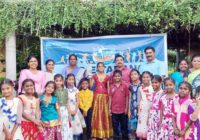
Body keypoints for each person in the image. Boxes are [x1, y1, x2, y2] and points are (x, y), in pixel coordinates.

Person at [90, 62, 113, 139]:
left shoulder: (107, 76)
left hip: (105, 97)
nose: (100, 67)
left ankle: (105, 135)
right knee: (96, 115)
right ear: (97, 68)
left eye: (102, 66)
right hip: (96, 97)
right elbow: (90, 87)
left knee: (104, 114)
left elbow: (109, 88)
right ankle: (95, 135)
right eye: (99, 66)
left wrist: (109, 97)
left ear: (104, 67)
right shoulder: (94, 76)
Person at [109, 70, 129, 140]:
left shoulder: (125, 86)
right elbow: (110, 98)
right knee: (115, 127)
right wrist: (109, 109)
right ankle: (116, 138)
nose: (117, 77)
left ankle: (125, 138)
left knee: (124, 127)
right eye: (115, 76)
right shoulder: (111, 86)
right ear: (113, 77)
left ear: (121, 77)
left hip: (123, 110)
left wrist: (126, 108)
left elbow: (127, 97)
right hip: (114, 111)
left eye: (118, 76)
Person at [66, 73, 86, 140]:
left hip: (75, 110)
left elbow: (78, 101)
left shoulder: (76, 90)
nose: (71, 81)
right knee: (70, 125)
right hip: (68, 110)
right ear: (66, 80)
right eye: (69, 79)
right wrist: (70, 111)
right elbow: (65, 102)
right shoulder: (65, 90)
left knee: (76, 125)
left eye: (72, 79)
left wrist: (75, 110)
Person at [54, 74, 73, 140]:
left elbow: (67, 102)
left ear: (62, 81)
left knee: (67, 126)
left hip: (65, 111)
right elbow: (55, 103)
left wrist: (69, 113)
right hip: (57, 111)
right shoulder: (53, 91)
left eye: (60, 81)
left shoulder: (65, 91)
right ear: (54, 81)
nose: (58, 82)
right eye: (56, 81)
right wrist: (58, 114)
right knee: (60, 126)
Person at [136, 71, 154, 139]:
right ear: (141, 78)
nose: (145, 78)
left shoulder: (153, 87)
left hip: (151, 108)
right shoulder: (140, 88)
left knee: (149, 123)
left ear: (151, 78)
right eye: (143, 77)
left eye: (147, 77)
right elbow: (139, 100)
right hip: (142, 109)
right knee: (142, 124)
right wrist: (138, 111)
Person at [147, 75, 163, 140]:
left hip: (158, 116)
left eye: (156, 82)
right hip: (151, 116)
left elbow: (162, 108)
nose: (154, 84)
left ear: (160, 83)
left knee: (158, 134)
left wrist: (161, 120)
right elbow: (151, 106)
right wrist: (148, 118)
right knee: (151, 134)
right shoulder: (153, 93)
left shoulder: (162, 93)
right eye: (152, 82)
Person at [128, 69, 141, 140]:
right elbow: (130, 98)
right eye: (132, 74)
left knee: (141, 129)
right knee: (133, 129)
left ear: (139, 75)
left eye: (135, 74)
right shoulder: (130, 86)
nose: (133, 76)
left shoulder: (142, 85)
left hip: (141, 110)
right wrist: (129, 110)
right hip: (133, 110)